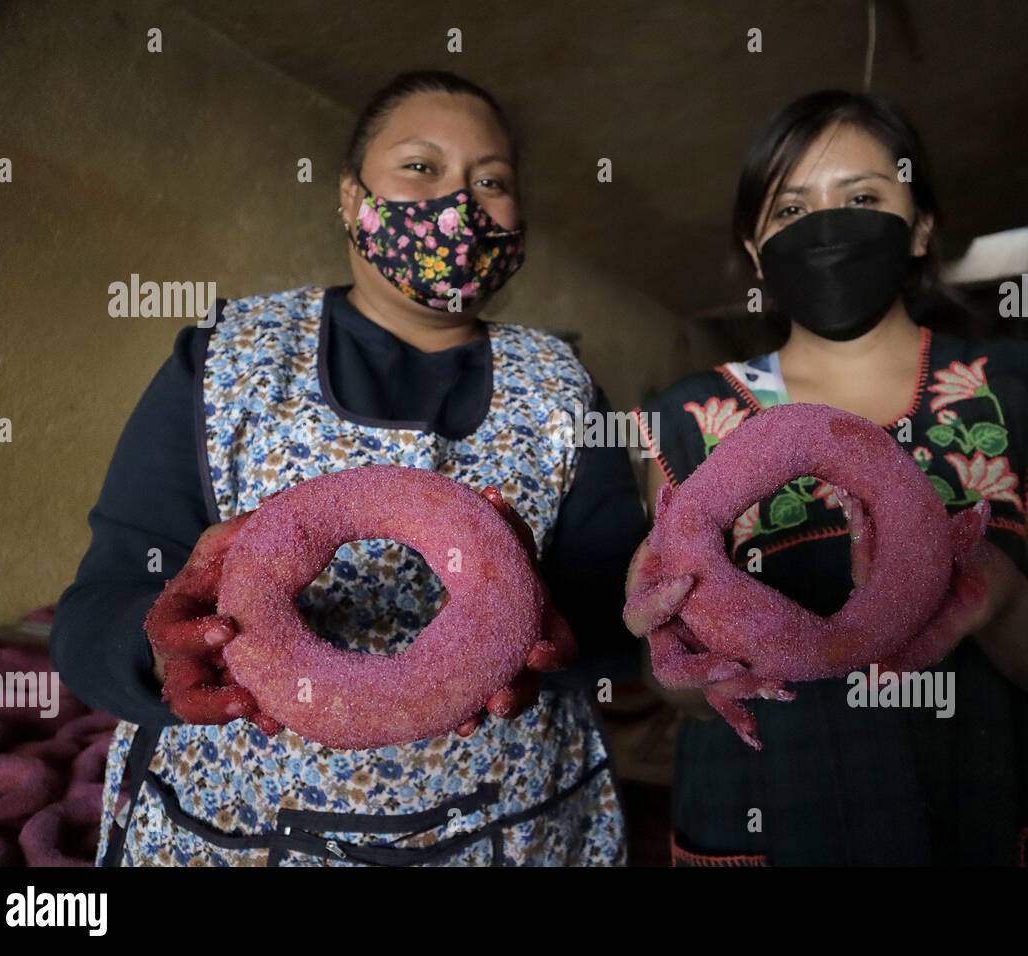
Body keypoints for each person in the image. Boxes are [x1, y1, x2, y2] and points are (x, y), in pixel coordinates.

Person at [51, 70, 646, 866]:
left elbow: (619, 616)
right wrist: (161, 647)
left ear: (520, 217)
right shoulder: (229, 355)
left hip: (513, 825)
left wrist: (559, 630)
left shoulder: (563, 384)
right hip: (244, 832)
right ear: (348, 196)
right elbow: (98, 603)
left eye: (491, 181)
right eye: (421, 166)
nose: (458, 205)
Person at [628, 90, 1028, 866]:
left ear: (920, 225)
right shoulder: (685, 420)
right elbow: (686, 695)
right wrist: (674, 648)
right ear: (755, 253)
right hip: (766, 820)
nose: (825, 227)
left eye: (861, 197)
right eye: (790, 210)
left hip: (986, 811)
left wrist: (1002, 600)